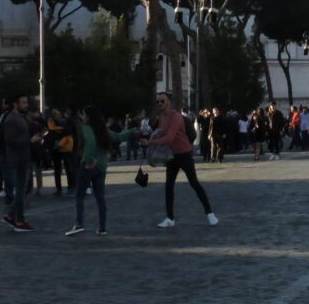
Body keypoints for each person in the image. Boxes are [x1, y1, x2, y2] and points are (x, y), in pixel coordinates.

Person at [143, 92, 218, 228]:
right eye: (158, 102)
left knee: (194, 183)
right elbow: (160, 133)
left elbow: (169, 137)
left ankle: (210, 213)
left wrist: (150, 143)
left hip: (184, 153)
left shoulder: (176, 116)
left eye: (162, 101)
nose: (160, 104)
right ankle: (170, 218)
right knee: (169, 185)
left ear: (169, 102)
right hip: (171, 155)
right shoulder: (161, 117)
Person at [65, 105, 139, 237]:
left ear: (88, 117)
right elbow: (118, 136)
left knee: (79, 196)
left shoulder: (86, 129)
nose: (81, 117)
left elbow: (90, 144)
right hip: (101, 167)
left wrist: (89, 160)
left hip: (89, 166)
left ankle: (79, 224)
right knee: (100, 198)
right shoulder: (103, 130)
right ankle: (102, 227)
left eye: (83, 115)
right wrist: (132, 131)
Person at [1, 94, 42, 232]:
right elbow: (10, 140)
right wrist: (29, 141)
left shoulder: (22, 117)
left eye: (26, 102)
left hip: (25, 157)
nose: (26, 105)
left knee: (24, 190)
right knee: (21, 191)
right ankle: (19, 221)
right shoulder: (11, 119)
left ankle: (11, 215)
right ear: (15, 104)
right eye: (23, 102)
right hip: (18, 159)